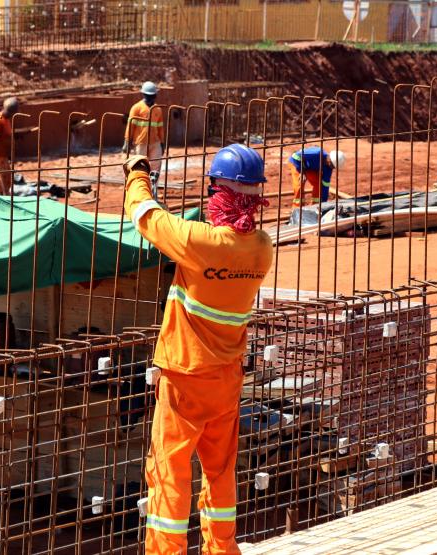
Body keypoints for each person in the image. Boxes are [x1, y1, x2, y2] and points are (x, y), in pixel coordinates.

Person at [122, 144, 273, 554]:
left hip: (185, 378)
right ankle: (221, 549)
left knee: (169, 471)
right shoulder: (261, 249)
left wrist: (137, 170)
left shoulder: (199, 242)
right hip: (225, 381)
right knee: (221, 472)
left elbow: (144, 214)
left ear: (217, 193)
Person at [123, 81, 166, 191]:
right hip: (140, 143)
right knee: (140, 166)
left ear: (155, 96)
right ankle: (140, 189)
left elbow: (160, 127)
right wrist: (127, 141)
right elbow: (130, 125)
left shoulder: (158, 109)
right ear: (143, 95)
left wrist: (162, 142)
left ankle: (153, 189)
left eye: (152, 96)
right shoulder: (136, 108)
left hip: (155, 142)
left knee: (156, 165)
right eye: (148, 96)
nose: (150, 98)